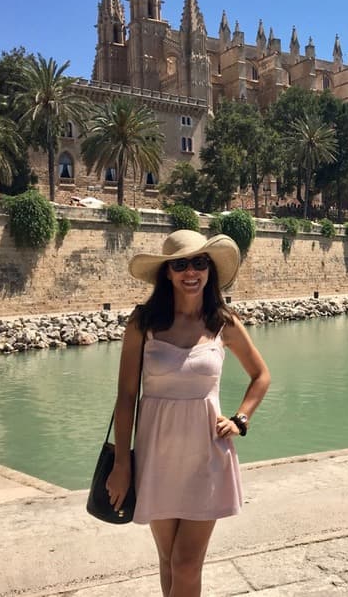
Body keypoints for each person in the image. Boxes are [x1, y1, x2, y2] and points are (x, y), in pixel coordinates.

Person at [107, 229, 270, 596]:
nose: (190, 272)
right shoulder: (143, 323)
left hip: (206, 455)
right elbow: (126, 396)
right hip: (155, 456)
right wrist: (122, 463)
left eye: (199, 263)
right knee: (168, 561)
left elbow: (261, 376)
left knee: (185, 562)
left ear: (209, 270)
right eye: (180, 265)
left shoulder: (222, 322)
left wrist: (240, 419)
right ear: (167, 273)